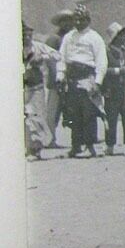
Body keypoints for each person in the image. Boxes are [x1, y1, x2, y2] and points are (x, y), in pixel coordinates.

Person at [57, 4, 108, 158]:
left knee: (88, 113)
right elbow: (62, 57)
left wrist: (98, 81)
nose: (78, 22)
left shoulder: (95, 37)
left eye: (82, 19)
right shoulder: (68, 37)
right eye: (76, 20)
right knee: (73, 113)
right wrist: (60, 75)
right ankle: (76, 146)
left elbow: (101, 60)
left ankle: (89, 146)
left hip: (87, 77)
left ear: (88, 20)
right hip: (72, 78)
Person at [23, 22, 60, 160]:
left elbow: (57, 55)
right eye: (24, 35)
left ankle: (36, 150)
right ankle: (27, 148)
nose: (27, 38)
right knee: (25, 119)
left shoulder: (38, 46)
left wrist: (43, 57)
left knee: (37, 118)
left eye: (29, 35)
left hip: (36, 88)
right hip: (22, 88)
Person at [101, 22, 125, 156]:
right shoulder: (106, 52)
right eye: (123, 34)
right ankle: (110, 145)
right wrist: (119, 71)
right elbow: (102, 70)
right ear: (117, 37)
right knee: (111, 118)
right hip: (112, 89)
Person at [45, 9, 75, 148]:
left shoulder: (71, 38)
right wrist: (58, 77)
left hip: (69, 79)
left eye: (70, 20)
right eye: (65, 21)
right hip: (56, 80)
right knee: (53, 110)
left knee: (70, 108)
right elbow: (51, 61)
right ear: (60, 23)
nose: (68, 23)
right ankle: (49, 139)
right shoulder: (54, 39)